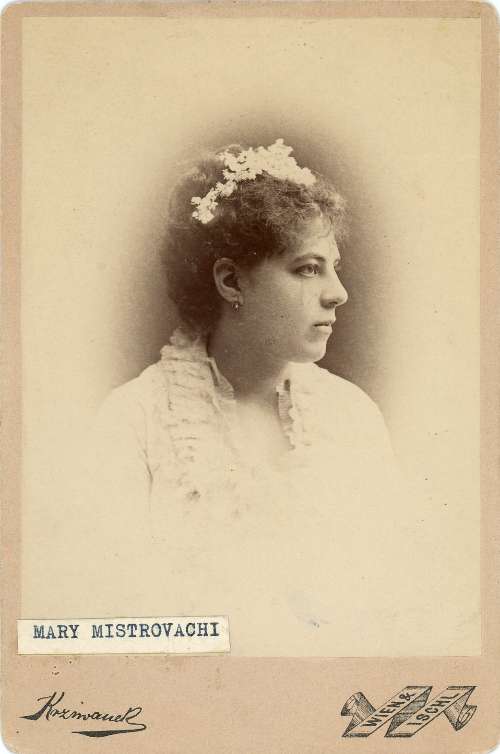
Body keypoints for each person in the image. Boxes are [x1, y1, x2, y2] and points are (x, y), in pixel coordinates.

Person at [84, 139, 407, 655]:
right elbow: (112, 613)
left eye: (334, 266)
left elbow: (395, 599)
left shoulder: (352, 417)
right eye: (308, 268)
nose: (337, 292)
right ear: (232, 280)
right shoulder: (135, 422)